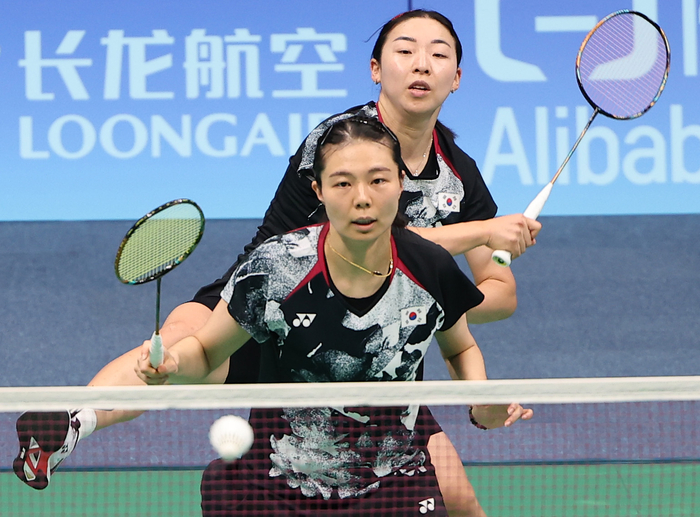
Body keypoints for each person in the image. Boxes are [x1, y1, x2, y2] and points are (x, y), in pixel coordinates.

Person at [14, 9, 540, 515]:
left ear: (457, 77)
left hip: (371, 346)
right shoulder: (340, 143)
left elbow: (498, 291)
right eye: (406, 51)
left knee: (459, 498)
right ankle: (71, 422)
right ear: (376, 69)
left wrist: (434, 303)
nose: (422, 64)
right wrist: (478, 235)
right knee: (181, 346)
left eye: (438, 54)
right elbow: (363, 237)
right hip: (277, 298)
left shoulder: (459, 175)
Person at [135, 116, 533, 516]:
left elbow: (459, 347)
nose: (362, 198)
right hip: (282, 491)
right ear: (319, 191)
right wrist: (174, 363)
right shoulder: (276, 268)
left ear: (400, 183)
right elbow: (206, 352)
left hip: (392, 487)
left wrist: (480, 402)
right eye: (343, 183)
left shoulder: (430, 268)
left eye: (378, 180)